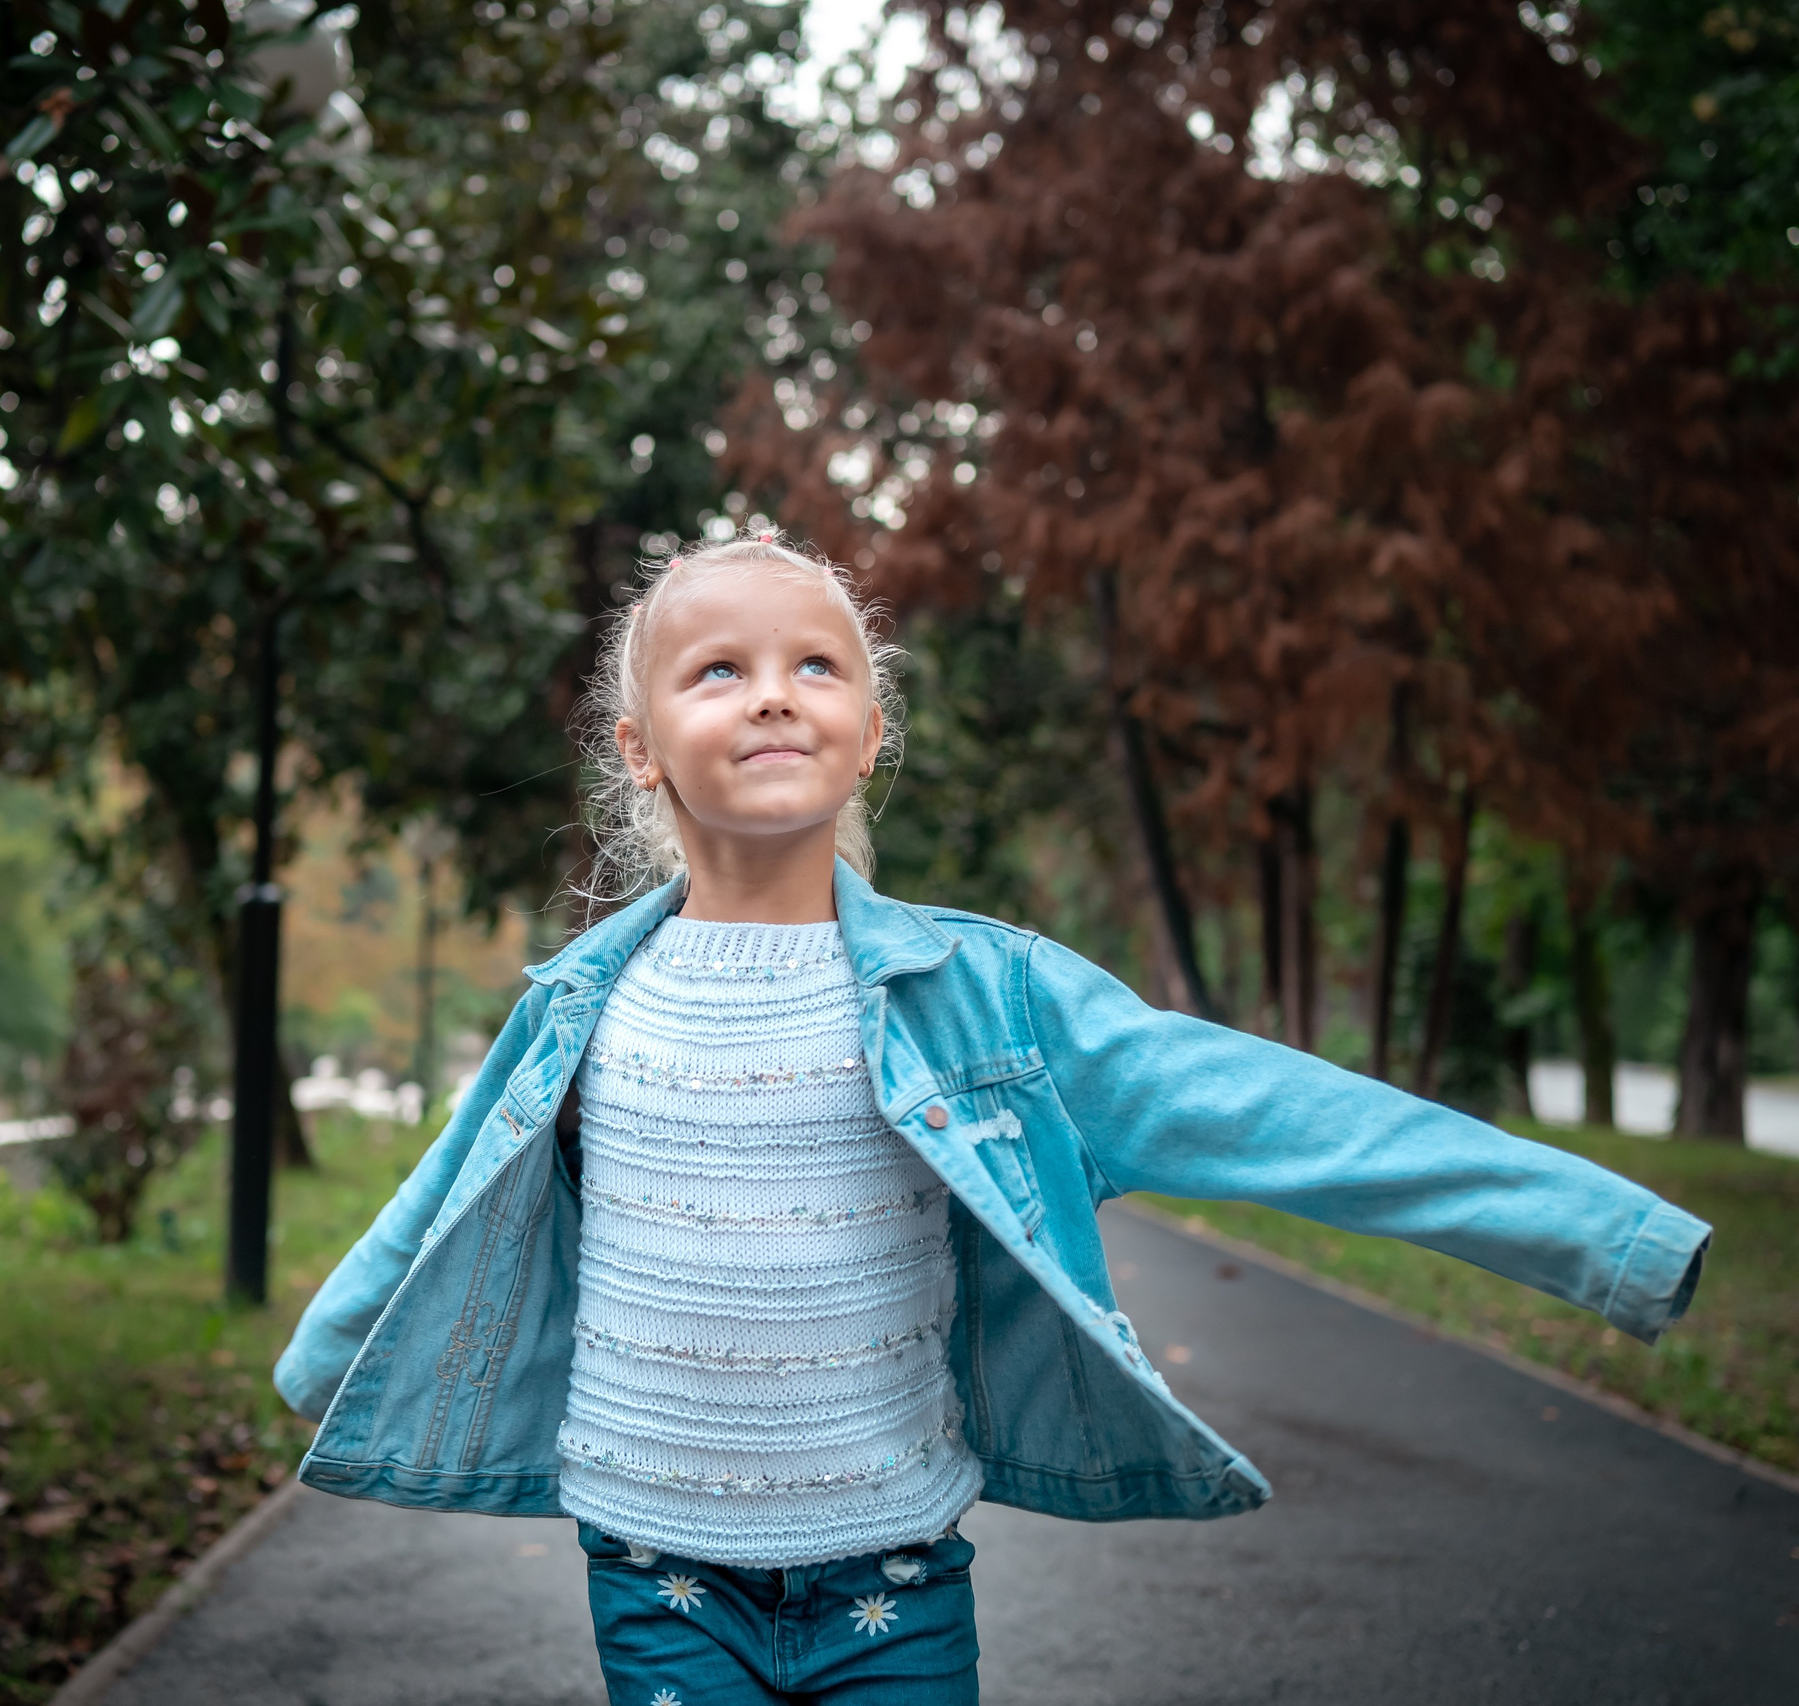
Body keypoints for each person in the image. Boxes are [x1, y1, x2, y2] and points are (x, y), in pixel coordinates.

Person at [273, 528, 1711, 1706]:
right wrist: (327, 1358)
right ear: (642, 749)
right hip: (656, 1574)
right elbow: (448, 1199)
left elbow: (1277, 1112)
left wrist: (1605, 1235)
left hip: (892, 1578)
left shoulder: (989, 996)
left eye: (815, 665)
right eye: (722, 669)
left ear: (869, 728)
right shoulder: (583, 1004)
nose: (775, 692)